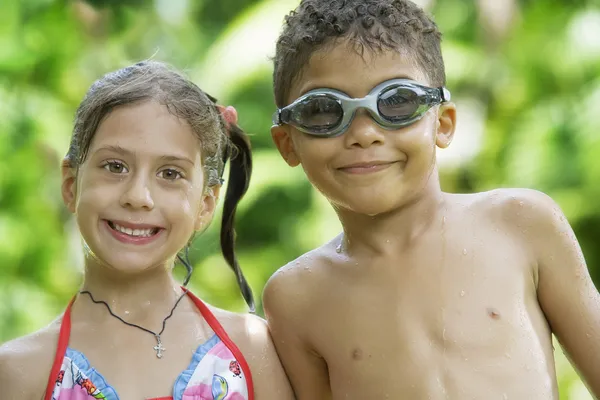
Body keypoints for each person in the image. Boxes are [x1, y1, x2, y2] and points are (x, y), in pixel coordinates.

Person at [263, 1, 600, 399]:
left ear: (442, 123)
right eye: (324, 110)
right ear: (288, 144)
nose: (364, 133)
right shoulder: (296, 296)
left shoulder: (521, 225)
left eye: (396, 102)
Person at [0, 60, 294, 400]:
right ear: (70, 184)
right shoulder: (21, 372)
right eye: (115, 166)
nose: (138, 197)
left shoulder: (250, 350)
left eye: (170, 174)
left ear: (206, 203)